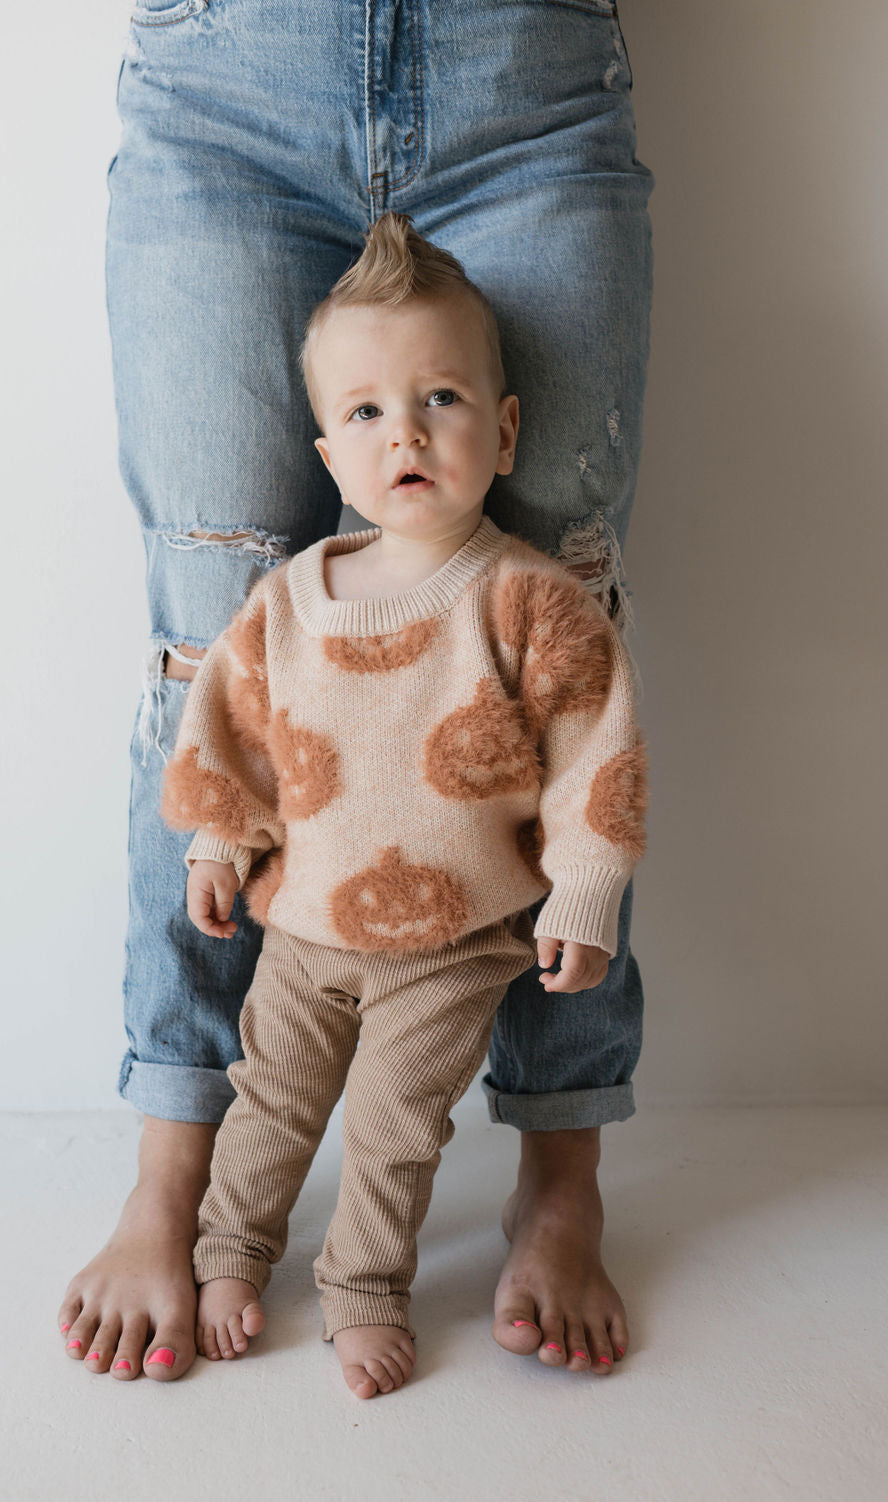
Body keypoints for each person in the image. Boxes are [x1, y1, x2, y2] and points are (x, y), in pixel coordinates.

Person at [59, 0, 655, 1385]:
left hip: (531, 78)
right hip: (227, 82)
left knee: (566, 622)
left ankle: (560, 1167)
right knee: (208, 641)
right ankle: (175, 1174)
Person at [160, 212, 648, 1399]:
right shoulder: (287, 601)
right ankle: (231, 1248)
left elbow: (598, 757)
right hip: (302, 931)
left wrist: (585, 887)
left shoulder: (529, 603)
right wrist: (224, 836)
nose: (407, 432)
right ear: (330, 455)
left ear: (505, 428)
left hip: (453, 942)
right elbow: (241, 732)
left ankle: (363, 1288)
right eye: (369, 411)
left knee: (391, 1127)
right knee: (268, 1097)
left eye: (440, 398)